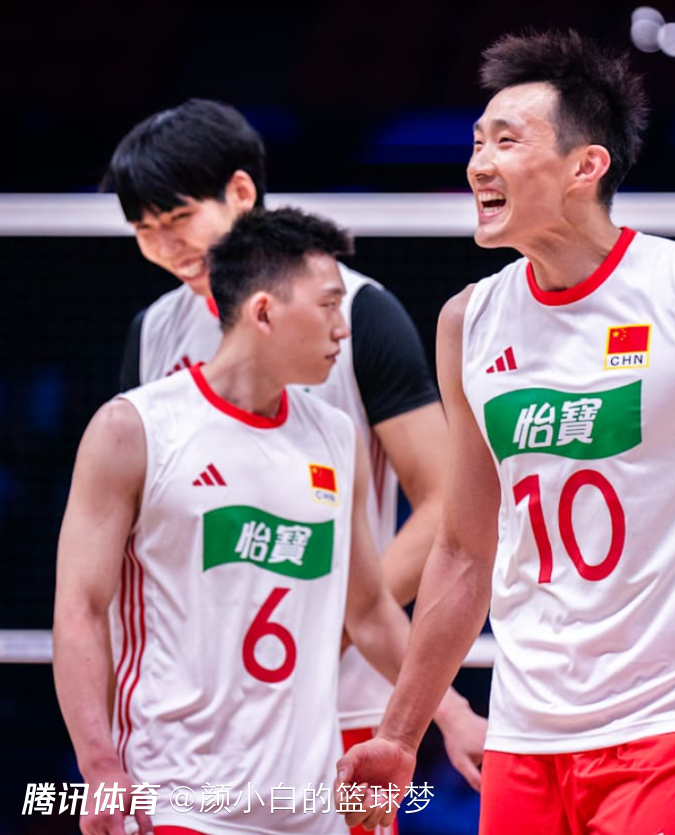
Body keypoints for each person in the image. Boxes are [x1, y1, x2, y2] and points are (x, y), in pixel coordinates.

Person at [337, 29, 675, 835]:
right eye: (477, 142)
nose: (478, 163)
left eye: (506, 141)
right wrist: (399, 731)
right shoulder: (467, 322)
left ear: (585, 166)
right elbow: (463, 551)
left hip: (667, 719)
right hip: (525, 727)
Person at [100, 100, 483, 813]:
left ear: (242, 192)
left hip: (341, 706)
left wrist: (326, 621)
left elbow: (443, 502)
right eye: (145, 230)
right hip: (190, 722)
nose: (166, 245)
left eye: (179, 218)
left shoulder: (358, 315)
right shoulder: (151, 333)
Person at [53, 208, 458, 835]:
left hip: (311, 807)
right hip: (178, 801)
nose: (343, 329)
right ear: (263, 312)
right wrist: (100, 766)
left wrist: (453, 715)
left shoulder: (336, 436)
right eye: (328, 306)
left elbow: (370, 610)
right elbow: (80, 607)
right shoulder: (132, 428)